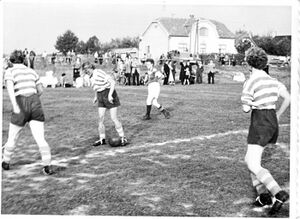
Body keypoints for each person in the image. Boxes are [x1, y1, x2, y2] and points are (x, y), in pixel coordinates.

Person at [241, 47, 290, 215]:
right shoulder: (273, 80)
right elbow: (288, 98)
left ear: (249, 63)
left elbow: (246, 108)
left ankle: (277, 193)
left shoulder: (251, 81)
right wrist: (278, 114)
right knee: (249, 159)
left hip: (260, 121)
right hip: (271, 121)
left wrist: (253, 104)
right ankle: (263, 196)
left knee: (253, 163)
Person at [2, 50, 53, 175]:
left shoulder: (10, 71)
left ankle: (6, 161)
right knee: (40, 138)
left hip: (20, 101)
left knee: (13, 137)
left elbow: (9, 88)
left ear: (11, 60)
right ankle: (47, 165)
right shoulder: (31, 71)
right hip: (35, 102)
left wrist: (15, 105)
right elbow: (40, 90)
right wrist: (33, 100)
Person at [82, 61, 128, 147]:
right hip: (100, 95)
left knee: (114, 118)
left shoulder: (98, 73)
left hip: (109, 93)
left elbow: (112, 82)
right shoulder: (90, 77)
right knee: (100, 118)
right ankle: (102, 139)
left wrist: (110, 95)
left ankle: (123, 138)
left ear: (91, 67)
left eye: (87, 69)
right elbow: (96, 87)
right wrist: (96, 97)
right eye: (85, 69)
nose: (86, 71)